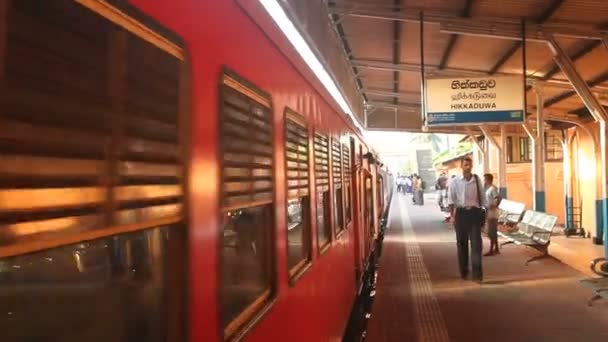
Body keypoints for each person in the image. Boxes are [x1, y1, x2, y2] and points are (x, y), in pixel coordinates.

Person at [447, 157, 487, 283]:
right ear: (461, 166)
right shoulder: (455, 181)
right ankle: (464, 271)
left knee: (476, 245)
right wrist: (452, 216)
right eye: (465, 165)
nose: (468, 167)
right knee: (462, 244)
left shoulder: (476, 180)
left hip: (474, 214)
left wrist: (485, 212)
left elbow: (483, 196)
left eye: (470, 165)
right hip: (461, 214)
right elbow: (451, 199)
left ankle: (477, 275)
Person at [483, 173, 500, 256]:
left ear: (488, 179)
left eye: (485, 179)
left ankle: (491, 249)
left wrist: (492, 205)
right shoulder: (488, 189)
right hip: (489, 212)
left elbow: (496, 198)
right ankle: (496, 248)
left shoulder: (493, 188)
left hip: (492, 213)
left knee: (491, 231)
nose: (484, 181)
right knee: (493, 231)